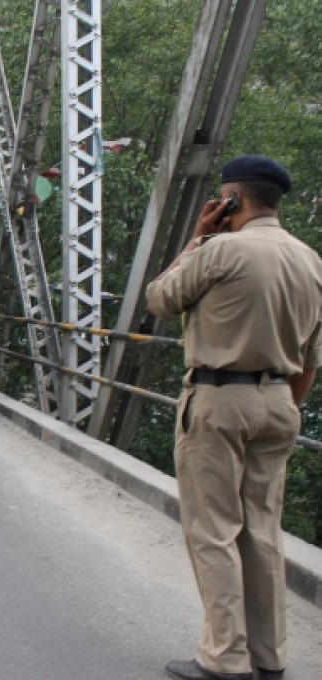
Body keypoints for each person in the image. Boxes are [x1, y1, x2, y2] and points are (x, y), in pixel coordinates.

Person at [146, 156, 322, 680]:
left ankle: (225, 658)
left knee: (214, 531)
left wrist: (196, 240)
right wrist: (284, 403)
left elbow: (159, 300)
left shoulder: (220, 250)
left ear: (232, 202)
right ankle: (269, 658)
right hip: (280, 402)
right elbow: (312, 358)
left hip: (221, 402)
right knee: (262, 532)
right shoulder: (312, 261)